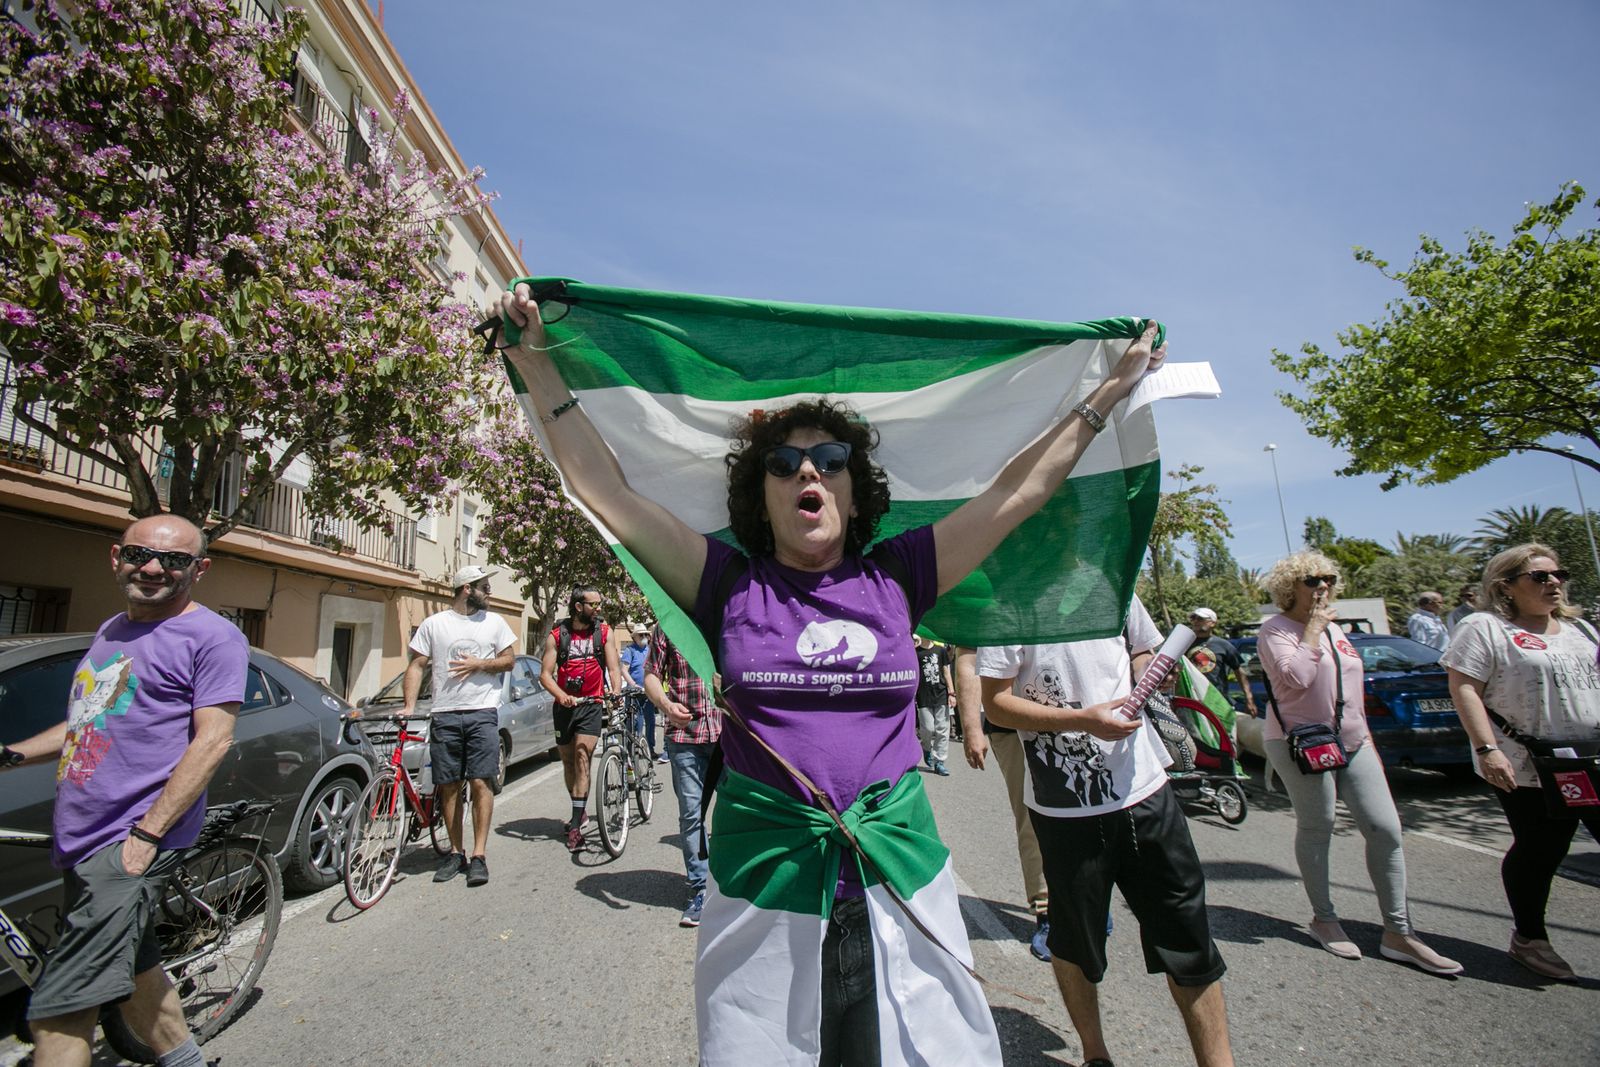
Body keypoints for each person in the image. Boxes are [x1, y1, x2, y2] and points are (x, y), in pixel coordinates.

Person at [497, 283, 1165, 1066]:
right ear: (762, 494)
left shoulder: (899, 575)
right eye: (783, 463)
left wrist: (1108, 389)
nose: (806, 470)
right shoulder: (726, 583)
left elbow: (1019, 492)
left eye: (829, 459)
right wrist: (536, 365)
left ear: (854, 489)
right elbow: (606, 490)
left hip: (899, 875)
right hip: (764, 887)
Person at [0, 515, 247, 1067]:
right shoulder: (113, 629)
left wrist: (144, 838)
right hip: (83, 836)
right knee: (139, 973)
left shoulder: (213, 636)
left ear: (199, 569)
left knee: (57, 1017)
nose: (154, 568)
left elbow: (213, 740)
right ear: (117, 557)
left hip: (128, 839)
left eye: (175, 560)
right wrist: (13, 754)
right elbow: (90, 718)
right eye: (140, 555)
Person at [978, 595, 1234, 1067]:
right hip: (1065, 811)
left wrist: (1147, 671)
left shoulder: (1114, 580)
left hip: (1147, 793)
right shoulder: (1009, 600)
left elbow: (1143, 647)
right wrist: (1081, 720)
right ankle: (1096, 1055)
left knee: (1189, 939)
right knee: (1074, 942)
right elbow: (996, 706)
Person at [1256, 552, 1461, 975]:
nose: (1323, 586)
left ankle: (1399, 932)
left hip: (1353, 740)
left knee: (1385, 828)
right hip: (1300, 742)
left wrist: (1363, 734)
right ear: (1290, 586)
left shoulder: (1336, 630)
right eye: (1312, 579)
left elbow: (1347, 685)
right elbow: (1296, 678)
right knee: (1318, 825)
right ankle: (1324, 919)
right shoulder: (1276, 630)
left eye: (1329, 579)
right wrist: (1312, 630)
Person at [1442, 543, 1600, 981]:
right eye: (1540, 576)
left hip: (1594, 757)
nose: (1554, 583)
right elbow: (1465, 688)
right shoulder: (1485, 628)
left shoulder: (1581, 630)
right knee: (1542, 848)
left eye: (1559, 575)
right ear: (1505, 586)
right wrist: (1487, 749)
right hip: (1531, 763)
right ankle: (1530, 938)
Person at [401, 565, 515, 887]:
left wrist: (480, 663)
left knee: (481, 782)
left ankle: (478, 855)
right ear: (467, 588)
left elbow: (509, 660)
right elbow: (417, 665)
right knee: (448, 785)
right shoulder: (434, 624)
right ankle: (456, 852)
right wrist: (409, 706)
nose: (489, 591)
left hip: (482, 712)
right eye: (484, 586)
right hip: (445, 714)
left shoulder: (495, 623)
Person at [953, 647, 1055, 962]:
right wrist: (971, 726)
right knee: (1033, 817)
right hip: (1012, 727)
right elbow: (968, 659)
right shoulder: (988, 599)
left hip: (1081, 716)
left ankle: (1088, 899)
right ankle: (1048, 912)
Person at [643, 629, 722, 928]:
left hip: (729, 736)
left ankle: (733, 886)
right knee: (692, 815)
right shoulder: (667, 626)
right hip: (684, 738)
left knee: (736, 812)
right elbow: (651, 674)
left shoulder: (723, 616)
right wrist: (666, 706)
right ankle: (700, 889)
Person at [540, 585, 623, 852]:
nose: (598, 609)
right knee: (568, 762)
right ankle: (580, 809)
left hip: (591, 704)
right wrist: (561, 695)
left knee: (581, 755)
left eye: (600, 604)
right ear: (578, 607)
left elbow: (613, 668)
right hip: (564, 706)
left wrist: (615, 692)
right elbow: (545, 675)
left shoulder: (604, 633)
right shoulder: (557, 635)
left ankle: (575, 827)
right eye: (593, 605)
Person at [1185, 607, 1257, 720]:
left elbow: (1239, 671)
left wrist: (1249, 698)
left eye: (1200, 618)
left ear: (1212, 623)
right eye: (1193, 618)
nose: (1196, 621)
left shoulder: (1223, 645)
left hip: (1217, 700)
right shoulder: (1184, 643)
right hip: (1190, 700)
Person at [914, 635, 955, 776]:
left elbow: (946, 672)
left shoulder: (940, 650)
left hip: (941, 693)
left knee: (943, 729)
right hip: (923, 695)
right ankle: (926, 747)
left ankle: (939, 762)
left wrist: (952, 693)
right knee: (928, 728)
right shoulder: (916, 652)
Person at [621, 621, 661, 761]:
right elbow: (624, 670)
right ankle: (632, 749)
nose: (643, 636)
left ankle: (650, 748)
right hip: (634, 693)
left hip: (648, 692)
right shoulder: (629, 650)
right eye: (640, 635)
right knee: (635, 722)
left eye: (645, 634)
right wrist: (633, 684)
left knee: (650, 721)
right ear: (634, 637)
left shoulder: (650, 650)